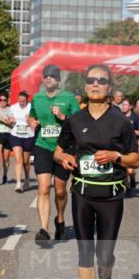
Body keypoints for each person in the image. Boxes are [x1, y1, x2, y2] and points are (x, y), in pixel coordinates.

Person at [55, 65, 139, 279]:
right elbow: (58, 151)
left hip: (111, 196)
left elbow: (136, 159)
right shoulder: (75, 120)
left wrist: (115, 156)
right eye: (91, 80)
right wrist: (66, 157)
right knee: (85, 251)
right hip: (82, 193)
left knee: (104, 255)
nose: (95, 84)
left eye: (101, 81)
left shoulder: (120, 122)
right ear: (85, 86)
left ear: (109, 89)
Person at [28, 64, 80, 245]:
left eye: (51, 76)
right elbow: (32, 115)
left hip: (64, 149)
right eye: (45, 76)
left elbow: (79, 123)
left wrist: (63, 117)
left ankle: (60, 219)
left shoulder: (69, 98)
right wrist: (32, 122)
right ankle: (43, 229)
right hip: (42, 146)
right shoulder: (37, 98)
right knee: (43, 189)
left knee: (59, 191)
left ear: (58, 80)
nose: (48, 78)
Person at [8, 90, 36, 193]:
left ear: (27, 100)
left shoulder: (31, 108)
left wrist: (31, 120)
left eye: (23, 101)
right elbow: (9, 121)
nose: (21, 103)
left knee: (25, 162)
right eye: (19, 101)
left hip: (28, 136)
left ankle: (27, 179)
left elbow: (36, 120)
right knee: (18, 159)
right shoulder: (13, 108)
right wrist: (10, 122)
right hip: (15, 135)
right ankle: (18, 183)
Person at [119, 100, 139, 195]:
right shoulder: (118, 116)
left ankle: (132, 178)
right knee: (123, 168)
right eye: (122, 105)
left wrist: (131, 132)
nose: (123, 106)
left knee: (130, 171)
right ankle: (128, 187)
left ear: (130, 106)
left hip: (131, 145)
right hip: (120, 146)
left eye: (125, 105)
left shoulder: (135, 117)